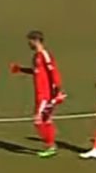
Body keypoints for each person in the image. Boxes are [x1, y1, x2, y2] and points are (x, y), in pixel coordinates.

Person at [11, 30, 65, 158]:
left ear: (35, 41)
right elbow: (37, 72)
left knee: (38, 120)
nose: (28, 44)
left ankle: (50, 145)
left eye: (29, 41)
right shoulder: (36, 57)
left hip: (46, 95)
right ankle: (51, 145)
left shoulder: (44, 55)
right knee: (46, 119)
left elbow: (54, 72)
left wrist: (57, 91)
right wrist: (20, 69)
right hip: (40, 94)